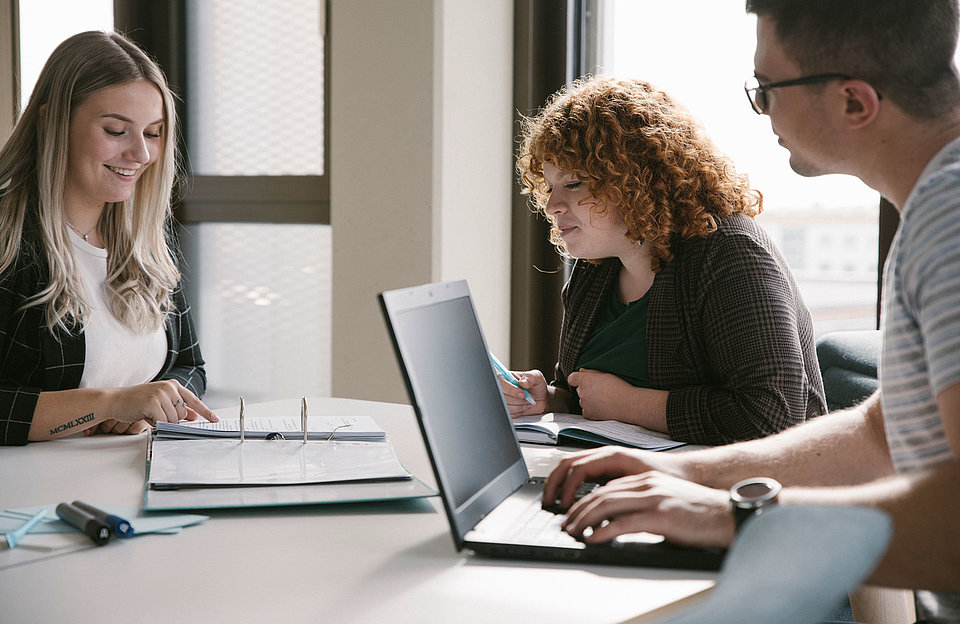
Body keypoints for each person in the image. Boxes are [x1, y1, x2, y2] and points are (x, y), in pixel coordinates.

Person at [543, 1, 960, 621]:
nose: (760, 109)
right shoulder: (931, 211)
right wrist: (684, 472)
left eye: (767, 88)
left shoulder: (949, 229)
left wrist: (726, 515)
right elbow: (880, 434)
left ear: (854, 102)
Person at [505, 75, 825, 445]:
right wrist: (549, 399)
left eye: (574, 184)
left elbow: (772, 417)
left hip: (746, 491)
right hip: (643, 477)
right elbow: (587, 396)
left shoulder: (732, 256)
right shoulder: (598, 268)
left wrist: (628, 404)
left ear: (636, 179)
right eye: (549, 188)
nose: (552, 206)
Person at [0, 30, 218, 445]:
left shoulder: (143, 241)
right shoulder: (7, 242)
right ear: (52, 123)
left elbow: (189, 366)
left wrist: (153, 404)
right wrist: (108, 403)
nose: (141, 154)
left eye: (152, 133)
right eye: (117, 130)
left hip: (136, 480)